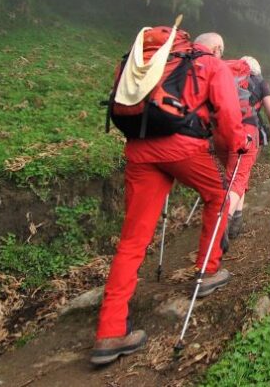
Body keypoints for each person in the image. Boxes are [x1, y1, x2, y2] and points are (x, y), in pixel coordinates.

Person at [92, 27, 247, 366]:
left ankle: (109, 331)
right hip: (183, 147)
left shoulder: (144, 61)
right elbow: (230, 120)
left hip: (139, 149)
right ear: (217, 48)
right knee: (219, 198)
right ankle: (207, 271)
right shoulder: (208, 63)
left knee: (132, 240)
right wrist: (235, 149)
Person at [223, 55, 270, 240]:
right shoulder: (260, 81)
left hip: (221, 131)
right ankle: (221, 223)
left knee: (236, 173)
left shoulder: (226, 77)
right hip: (246, 131)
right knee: (238, 177)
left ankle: (236, 220)